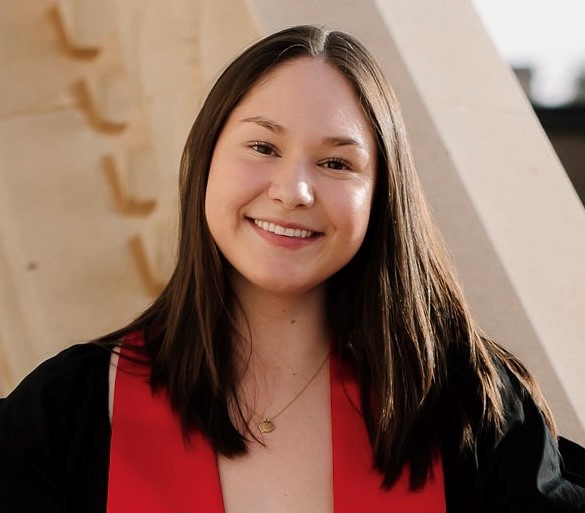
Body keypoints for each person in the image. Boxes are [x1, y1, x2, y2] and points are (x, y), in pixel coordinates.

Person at [1, 25, 584, 513]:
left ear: (380, 196)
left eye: (336, 162)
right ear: (205, 161)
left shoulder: (463, 409)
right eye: (263, 148)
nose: (294, 191)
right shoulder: (72, 411)